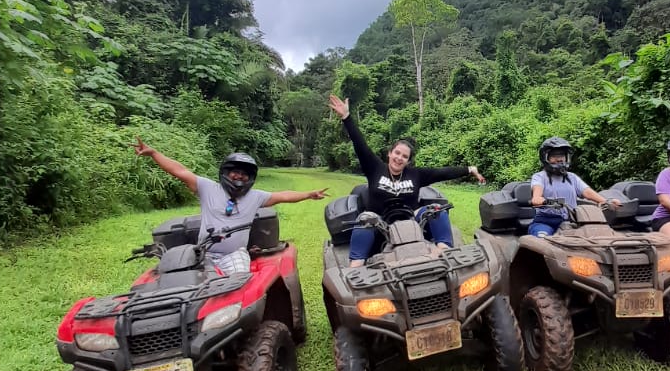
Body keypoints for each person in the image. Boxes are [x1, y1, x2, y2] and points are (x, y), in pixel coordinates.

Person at [328, 94, 485, 266]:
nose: (399, 158)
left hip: (412, 219)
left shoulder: (415, 174)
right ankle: (356, 265)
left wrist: (470, 169)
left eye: (404, 156)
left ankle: (443, 250)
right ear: (389, 153)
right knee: (365, 219)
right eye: (397, 153)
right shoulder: (375, 168)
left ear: (408, 161)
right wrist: (346, 117)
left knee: (437, 209)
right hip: (380, 221)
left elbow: (443, 172)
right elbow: (360, 144)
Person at [133, 140, 328, 275]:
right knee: (190, 286)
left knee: (239, 283)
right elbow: (180, 171)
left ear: (250, 178)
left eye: (244, 174)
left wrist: (309, 194)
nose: (239, 177)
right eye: (235, 172)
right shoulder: (207, 188)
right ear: (226, 172)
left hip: (234, 255)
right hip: (204, 252)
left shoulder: (255, 197)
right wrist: (154, 154)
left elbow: (284, 195)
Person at [528, 137, 619, 237]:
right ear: (546, 157)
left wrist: (606, 201)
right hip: (546, 222)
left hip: (572, 222)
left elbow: (587, 192)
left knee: (596, 239)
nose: (559, 159)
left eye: (562, 155)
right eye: (554, 156)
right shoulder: (539, 177)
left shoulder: (572, 177)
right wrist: (549, 202)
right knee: (542, 240)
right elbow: (536, 198)